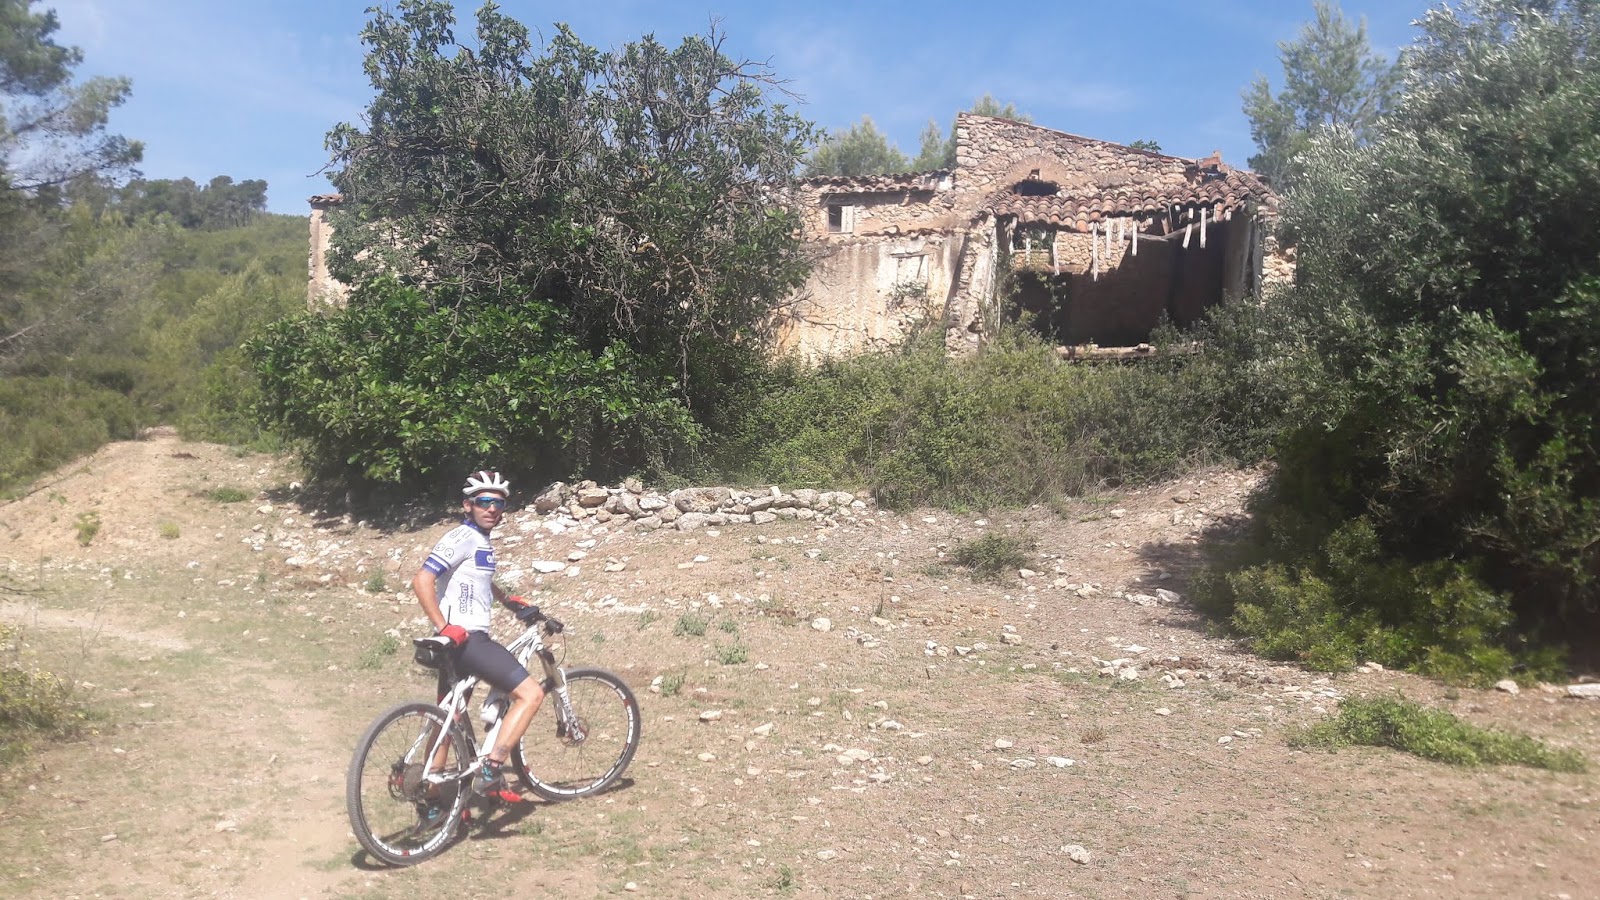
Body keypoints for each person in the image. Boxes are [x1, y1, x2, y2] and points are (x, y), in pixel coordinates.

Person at [412, 469, 544, 805]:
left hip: (457, 643)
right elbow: (422, 580)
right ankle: (491, 768)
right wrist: (444, 626)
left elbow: (477, 579)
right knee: (530, 694)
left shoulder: (479, 541)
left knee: (449, 720)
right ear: (467, 505)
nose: (492, 509)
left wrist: (508, 601)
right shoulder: (463, 537)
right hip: (468, 640)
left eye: (499, 504)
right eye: (484, 502)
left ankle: (430, 800)